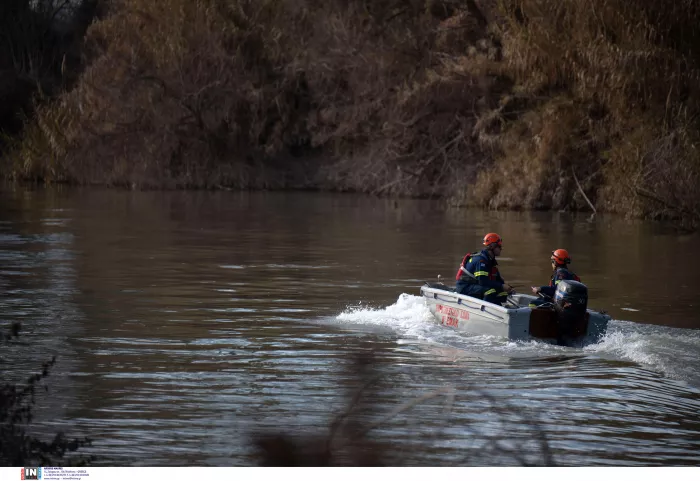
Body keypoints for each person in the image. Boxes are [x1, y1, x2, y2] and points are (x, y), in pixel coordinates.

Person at [455, 232, 514, 305]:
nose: (501, 249)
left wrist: (506, 286)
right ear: (492, 246)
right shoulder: (481, 261)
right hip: (465, 287)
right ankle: (485, 311)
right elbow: (482, 281)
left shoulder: (490, 261)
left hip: (475, 286)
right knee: (490, 291)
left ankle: (500, 308)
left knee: (503, 293)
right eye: (499, 246)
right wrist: (501, 286)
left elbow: (497, 279)